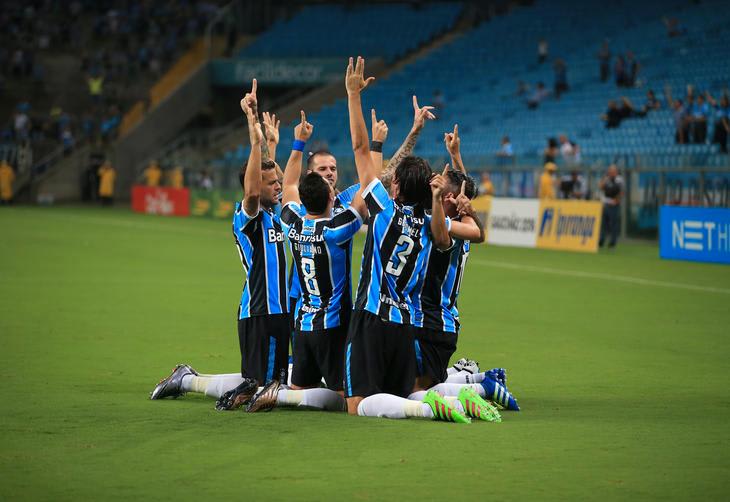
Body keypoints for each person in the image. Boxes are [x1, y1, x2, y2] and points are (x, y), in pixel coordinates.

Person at [341, 57, 480, 420]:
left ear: (397, 185)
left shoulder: (384, 211)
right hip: (405, 325)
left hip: (371, 317)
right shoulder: (432, 227)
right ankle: (452, 399)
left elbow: (359, 150)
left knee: (356, 405)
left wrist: (353, 95)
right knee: (403, 391)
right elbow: (459, 220)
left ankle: (443, 405)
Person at [247, 110, 368, 411]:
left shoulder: (291, 222)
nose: (330, 174)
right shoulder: (337, 229)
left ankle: (273, 393)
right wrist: (374, 145)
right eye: (324, 170)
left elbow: (288, 185)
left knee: (301, 385)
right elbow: (370, 187)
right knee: (345, 395)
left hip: (303, 321)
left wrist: (298, 144)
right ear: (329, 197)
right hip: (333, 323)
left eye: (332, 169)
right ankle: (275, 391)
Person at [232, 79, 292, 387]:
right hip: (260, 312)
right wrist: (252, 129)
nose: (279, 186)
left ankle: (191, 379)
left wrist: (270, 143)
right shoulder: (248, 215)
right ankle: (192, 381)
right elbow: (255, 190)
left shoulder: (277, 213)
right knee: (263, 388)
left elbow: (271, 174)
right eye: (272, 184)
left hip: (282, 311)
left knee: (272, 385)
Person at [599, 165, 623, 248]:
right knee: (603, 223)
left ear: (616, 172)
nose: (611, 173)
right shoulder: (607, 178)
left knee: (613, 224)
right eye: (609, 171)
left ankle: (613, 242)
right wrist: (605, 178)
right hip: (605, 203)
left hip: (613, 204)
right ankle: (601, 240)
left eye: (612, 171)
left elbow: (621, 191)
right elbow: (600, 187)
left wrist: (616, 201)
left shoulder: (619, 180)